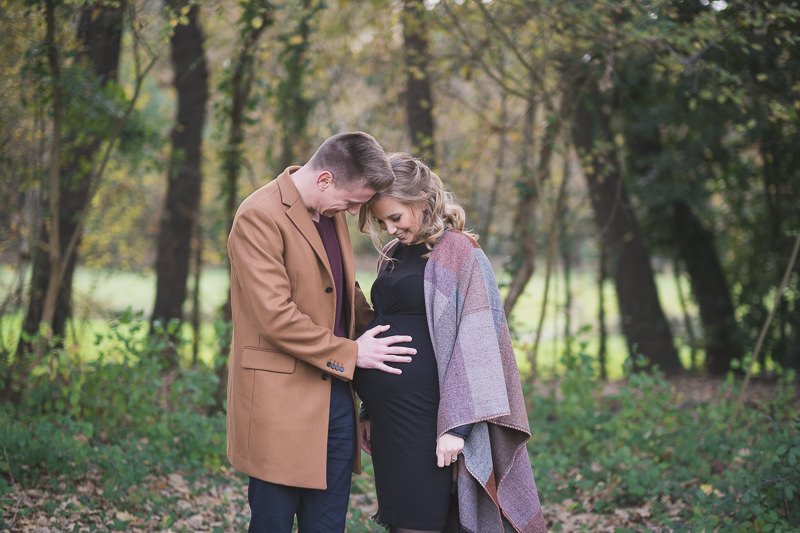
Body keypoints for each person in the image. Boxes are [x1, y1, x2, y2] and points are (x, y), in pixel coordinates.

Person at [226, 132, 418, 533]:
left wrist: (392, 333)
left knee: (328, 525)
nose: (352, 212)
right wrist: (353, 354)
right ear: (326, 179)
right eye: (352, 202)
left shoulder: (330, 214)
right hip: (278, 406)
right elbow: (275, 315)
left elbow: (346, 295)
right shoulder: (258, 215)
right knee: (273, 523)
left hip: (335, 399)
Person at [355, 153, 548, 533]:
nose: (389, 228)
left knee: (431, 519)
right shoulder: (392, 255)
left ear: (422, 201)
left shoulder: (459, 251)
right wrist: (368, 411)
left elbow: (477, 341)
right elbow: (383, 325)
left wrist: (455, 429)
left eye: (395, 217)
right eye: (381, 221)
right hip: (392, 420)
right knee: (405, 518)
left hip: (434, 417)